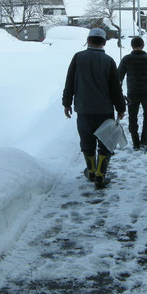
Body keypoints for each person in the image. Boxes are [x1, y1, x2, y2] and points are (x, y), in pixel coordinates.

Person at [62, 28, 126, 188]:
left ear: (88, 40)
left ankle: (91, 171)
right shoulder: (109, 61)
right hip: (104, 110)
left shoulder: (78, 58)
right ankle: (100, 175)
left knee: (87, 140)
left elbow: (69, 82)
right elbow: (115, 88)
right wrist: (121, 107)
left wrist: (67, 103)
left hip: (83, 110)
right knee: (105, 142)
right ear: (104, 42)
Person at [117, 36, 147, 150]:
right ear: (143, 45)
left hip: (132, 94)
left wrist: (118, 92)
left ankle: (135, 142)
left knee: (132, 117)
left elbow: (118, 77)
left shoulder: (126, 59)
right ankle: (144, 140)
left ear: (132, 46)